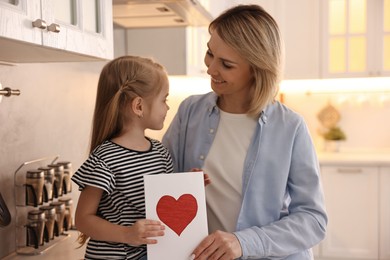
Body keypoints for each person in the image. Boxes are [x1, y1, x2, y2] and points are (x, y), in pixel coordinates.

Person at [162, 4, 327, 260]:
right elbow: (161, 183)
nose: (211, 68)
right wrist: (181, 183)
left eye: (226, 64)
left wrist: (244, 242)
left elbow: (313, 220)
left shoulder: (290, 127)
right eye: (209, 54)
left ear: (257, 69)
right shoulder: (189, 112)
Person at [72, 55, 173, 260]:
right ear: (138, 106)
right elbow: (83, 220)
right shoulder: (105, 158)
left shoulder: (160, 153)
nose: (167, 107)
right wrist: (127, 234)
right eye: (164, 99)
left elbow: (168, 203)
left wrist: (192, 183)